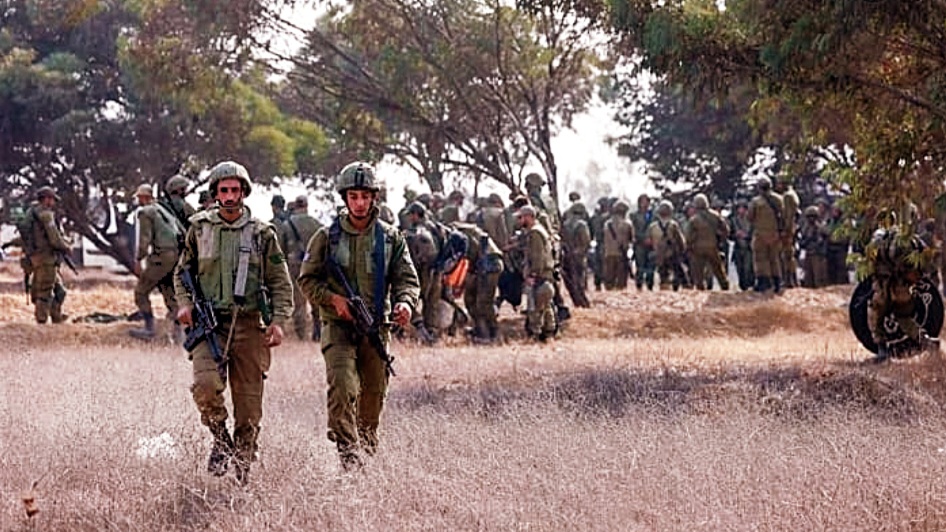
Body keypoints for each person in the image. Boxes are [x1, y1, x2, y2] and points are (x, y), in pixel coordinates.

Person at [173, 160, 293, 484]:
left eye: (234, 190)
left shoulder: (262, 233)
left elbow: (281, 281)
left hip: (250, 326)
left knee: (249, 410)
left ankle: (243, 475)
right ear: (215, 193)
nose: (229, 196)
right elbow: (181, 274)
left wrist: (279, 321)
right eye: (223, 190)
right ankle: (220, 440)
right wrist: (184, 305)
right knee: (205, 387)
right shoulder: (199, 228)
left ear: (243, 192)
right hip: (210, 324)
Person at [298, 161, 420, 470]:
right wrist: (332, 300)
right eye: (354, 196)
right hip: (338, 328)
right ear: (345, 198)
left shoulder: (390, 238)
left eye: (365, 196)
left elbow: (407, 279)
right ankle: (348, 456)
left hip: (376, 329)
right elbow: (307, 280)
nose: (360, 203)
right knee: (343, 387)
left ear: (374, 197)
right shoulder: (327, 237)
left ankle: (367, 448)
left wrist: (405, 303)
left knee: (372, 397)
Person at [866, 216, 939, 362]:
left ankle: (882, 350)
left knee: (875, 316)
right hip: (902, 287)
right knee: (904, 317)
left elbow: (871, 258)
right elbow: (925, 260)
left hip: (885, 285)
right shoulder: (911, 239)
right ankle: (926, 342)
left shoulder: (880, 238)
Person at [129, 183, 185, 340]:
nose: (138, 200)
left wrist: (138, 259)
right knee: (168, 290)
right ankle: (178, 332)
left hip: (162, 256)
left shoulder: (145, 212)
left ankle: (149, 329)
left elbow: (144, 239)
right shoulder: (163, 209)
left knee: (141, 292)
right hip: (176, 256)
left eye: (139, 197)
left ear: (144, 197)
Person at [20, 187, 71, 324]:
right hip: (46, 259)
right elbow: (54, 238)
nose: (53, 202)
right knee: (44, 292)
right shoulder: (45, 214)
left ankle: (56, 316)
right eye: (52, 199)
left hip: (38, 259)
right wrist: (66, 247)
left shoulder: (32, 212)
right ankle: (41, 322)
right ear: (47, 199)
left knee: (60, 291)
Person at [278, 195, 323, 341]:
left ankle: (301, 335)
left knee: (299, 302)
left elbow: (280, 250)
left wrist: (280, 266)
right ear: (307, 206)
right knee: (316, 297)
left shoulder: (286, 225)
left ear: (296, 206)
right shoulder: (316, 223)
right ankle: (318, 331)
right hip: (314, 264)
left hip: (294, 266)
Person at [517, 205, 556, 341]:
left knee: (535, 309)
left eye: (521, 217)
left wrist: (533, 275)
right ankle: (548, 334)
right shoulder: (540, 230)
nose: (519, 220)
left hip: (539, 278)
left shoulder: (535, 233)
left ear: (528, 217)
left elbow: (537, 257)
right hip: (545, 277)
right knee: (546, 307)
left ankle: (536, 335)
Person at [748, 176, 785, 293]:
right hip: (775, 234)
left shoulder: (756, 202)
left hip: (760, 235)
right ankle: (777, 282)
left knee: (760, 259)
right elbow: (783, 215)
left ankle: (763, 282)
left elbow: (750, 217)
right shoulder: (779, 199)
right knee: (774, 258)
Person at [685, 193, 730, 291]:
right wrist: (721, 240)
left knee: (698, 271)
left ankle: (700, 288)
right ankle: (725, 286)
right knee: (718, 269)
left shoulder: (693, 219)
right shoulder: (715, 215)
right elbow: (725, 229)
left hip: (698, 248)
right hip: (712, 246)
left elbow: (689, 236)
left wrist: (689, 247)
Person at [648, 200, 687, 290]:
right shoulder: (673, 225)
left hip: (658, 255)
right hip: (672, 254)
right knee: (678, 273)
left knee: (663, 275)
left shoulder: (653, 226)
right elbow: (680, 240)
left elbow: (648, 241)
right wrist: (682, 250)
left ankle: (664, 289)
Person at [602, 200, 634, 290]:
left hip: (608, 253)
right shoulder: (627, 224)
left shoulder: (607, 224)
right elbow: (631, 239)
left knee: (609, 279)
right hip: (621, 254)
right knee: (621, 281)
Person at [630, 194, 656, 291]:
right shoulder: (634, 216)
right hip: (639, 244)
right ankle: (639, 285)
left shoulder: (653, 215)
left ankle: (650, 285)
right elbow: (633, 230)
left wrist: (651, 240)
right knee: (640, 266)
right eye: (642, 202)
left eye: (646, 202)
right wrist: (641, 239)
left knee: (650, 267)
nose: (644, 204)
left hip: (651, 245)